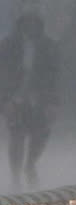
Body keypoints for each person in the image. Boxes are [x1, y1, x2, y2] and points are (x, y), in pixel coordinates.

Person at [0, 13, 59, 191]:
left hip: (40, 98)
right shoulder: (8, 45)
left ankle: (30, 164)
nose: (30, 25)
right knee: (17, 135)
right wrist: (6, 99)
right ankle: (16, 175)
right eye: (27, 21)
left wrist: (53, 101)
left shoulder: (48, 46)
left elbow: (54, 76)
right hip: (15, 97)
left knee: (41, 134)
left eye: (34, 21)